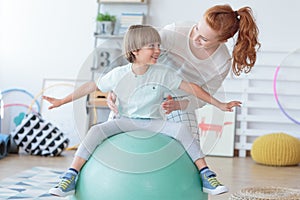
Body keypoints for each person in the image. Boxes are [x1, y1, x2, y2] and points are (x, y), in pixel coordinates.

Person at [47, 25, 241, 197]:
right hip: (125, 121)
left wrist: (220, 105)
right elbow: (91, 86)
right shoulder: (119, 74)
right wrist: (62, 101)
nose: (158, 50)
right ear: (135, 51)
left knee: (182, 130)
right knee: (95, 131)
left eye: (158, 45)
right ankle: (70, 176)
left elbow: (193, 88)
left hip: (154, 123)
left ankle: (206, 174)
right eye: (152, 47)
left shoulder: (163, 73)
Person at [106, 4, 260, 195]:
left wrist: (180, 104)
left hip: (179, 100)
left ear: (223, 41)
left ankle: (201, 181)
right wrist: (117, 88)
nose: (195, 37)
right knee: (109, 131)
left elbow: (201, 97)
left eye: (204, 39)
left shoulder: (221, 63)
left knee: (190, 141)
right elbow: (137, 54)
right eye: (197, 28)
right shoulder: (174, 32)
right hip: (142, 91)